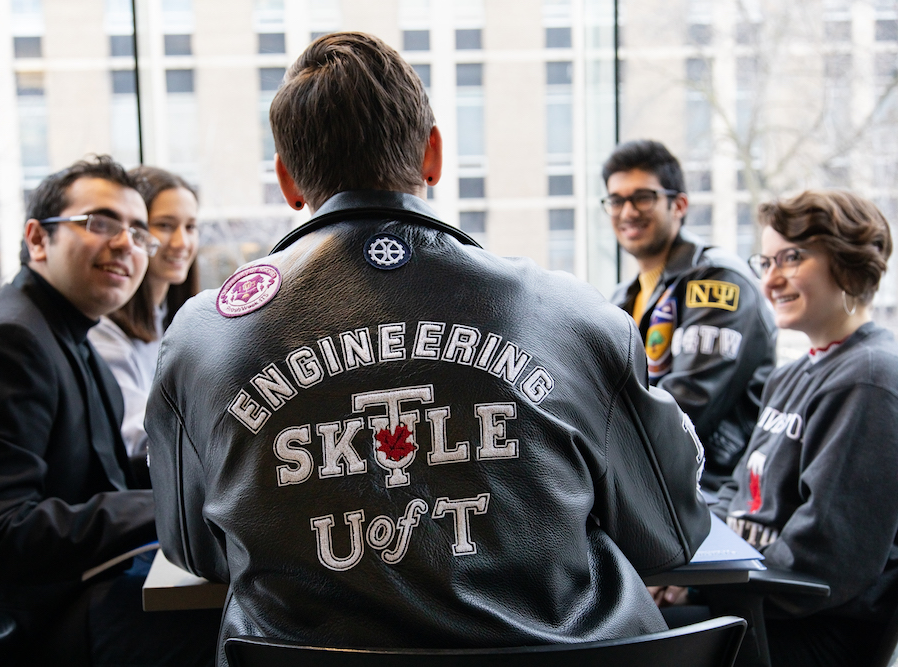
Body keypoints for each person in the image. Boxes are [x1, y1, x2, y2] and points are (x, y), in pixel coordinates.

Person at [147, 32, 710, 664]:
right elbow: (669, 534)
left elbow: (196, 550)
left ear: (287, 179)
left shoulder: (202, 339)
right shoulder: (577, 317)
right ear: (434, 154)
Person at [0, 156, 218, 666]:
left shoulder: (66, 333)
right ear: (37, 239)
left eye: (139, 233)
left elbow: (104, 471)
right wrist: (168, 508)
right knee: (236, 624)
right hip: (11, 619)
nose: (126, 244)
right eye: (100, 223)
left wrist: (205, 482)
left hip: (64, 592)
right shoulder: (4, 344)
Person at [709, 190, 898, 667]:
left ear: (848, 261)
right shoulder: (789, 375)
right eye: (766, 261)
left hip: (808, 630)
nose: (771, 279)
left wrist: (703, 584)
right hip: (754, 600)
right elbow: (737, 493)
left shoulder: (870, 378)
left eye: (791, 258)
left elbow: (826, 559)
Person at [603, 140, 777, 491]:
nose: (627, 211)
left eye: (643, 197)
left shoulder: (717, 282)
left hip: (716, 487)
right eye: (616, 200)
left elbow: (689, 404)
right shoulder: (623, 298)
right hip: (652, 481)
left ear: (679, 204)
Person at [89, 166, 200, 480]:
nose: (181, 241)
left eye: (190, 226)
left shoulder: (175, 320)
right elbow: (136, 437)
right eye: (165, 225)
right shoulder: (104, 332)